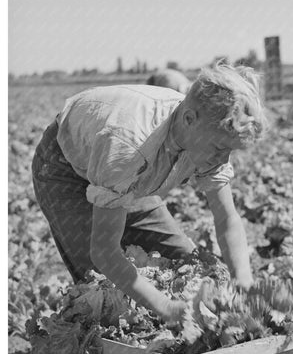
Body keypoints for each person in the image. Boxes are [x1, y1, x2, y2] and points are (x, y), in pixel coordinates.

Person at [32, 64, 267, 323]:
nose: (224, 158)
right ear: (189, 120)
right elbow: (104, 252)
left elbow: (227, 219)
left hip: (130, 174)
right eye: (220, 148)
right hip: (66, 170)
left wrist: (243, 284)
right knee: (101, 289)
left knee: (194, 267)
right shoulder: (128, 146)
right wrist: (166, 308)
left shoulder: (204, 137)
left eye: (230, 151)